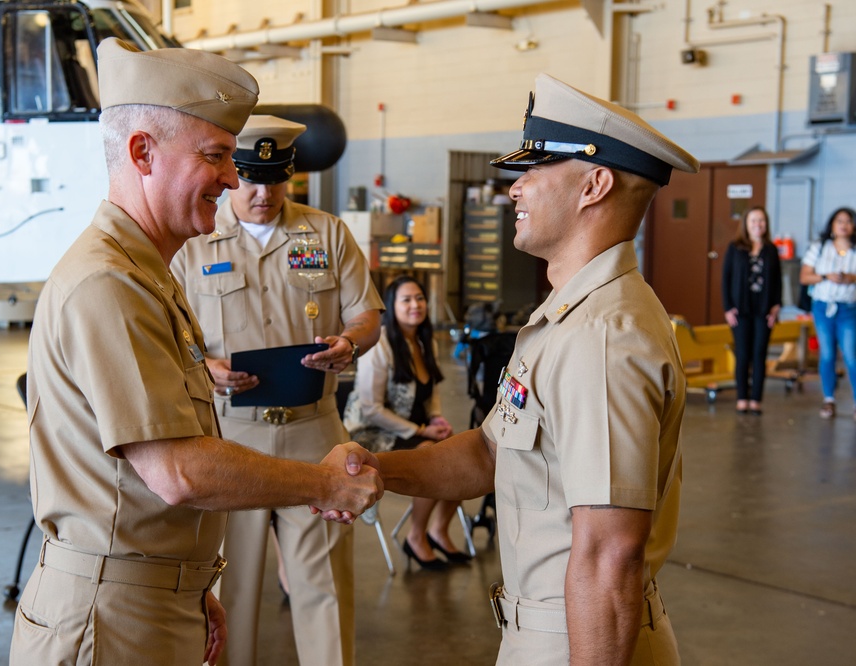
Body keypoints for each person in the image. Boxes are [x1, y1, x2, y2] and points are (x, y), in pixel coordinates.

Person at [9, 39, 382, 666]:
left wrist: (187, 583)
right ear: (142, 152)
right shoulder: (111, 284)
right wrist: (322, 482)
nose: (236, 179)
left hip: (146, 597)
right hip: (110, 620)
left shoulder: (146, 272)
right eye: (215, 156)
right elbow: (178, 472)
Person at [326, 73, 700, 665]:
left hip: (580, 640)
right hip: (551, 631)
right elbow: (489, 453)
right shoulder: (567, 315)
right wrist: (378, 469)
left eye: (534, 171)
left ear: (594, 185)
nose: (514, 190)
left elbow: (609, 556)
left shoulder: (600, 337)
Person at [170, 114, 384, 666]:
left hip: (315, 434)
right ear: (228, 173)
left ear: (291, 175)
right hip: (229, 439)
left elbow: (367, 314)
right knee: (227, 589)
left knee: (325, 589)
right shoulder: (194, 245)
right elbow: (167, 334)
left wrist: (351, 343)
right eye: (250, 179)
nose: (263, 194)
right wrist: (204, 364)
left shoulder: (328, 234)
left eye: (275, 179)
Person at [343, 275, 464, 569]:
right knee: (431, 459)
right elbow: (371, 410)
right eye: (406, 299)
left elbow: (430, 392)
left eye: (419, 298)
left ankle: (439, 530)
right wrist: (422, 430)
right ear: (391, 306)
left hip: (415, 426)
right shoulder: (380, 346)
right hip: (372, 431)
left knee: (464, 454)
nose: (415, 305)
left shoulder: (426, 342)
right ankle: (416, 536)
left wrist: (436, 417)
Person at [721, 205, 782, 415]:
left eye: (761, 221)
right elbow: (725, 279)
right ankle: (742, 398)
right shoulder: (735, 247)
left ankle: (756, 399)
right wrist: (728, 308)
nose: (758, 224)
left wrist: (776, 307)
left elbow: (777, 281)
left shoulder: (771, 249)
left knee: (759, 354)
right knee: (743, 354)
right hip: (740, 310)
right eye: (754, 221)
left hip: (764, 311)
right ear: (746, 224)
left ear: (766, 224)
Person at [799, 206, 856, 420]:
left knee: (851, 356)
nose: (843, 224)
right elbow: (805, 277)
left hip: (848, 308)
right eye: (839, 220)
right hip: (823, 306)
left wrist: (852, 278)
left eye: (848, 221)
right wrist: (825, 276)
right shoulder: (820, 247)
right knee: (827, 354)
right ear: (832, 225)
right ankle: (829, 400)